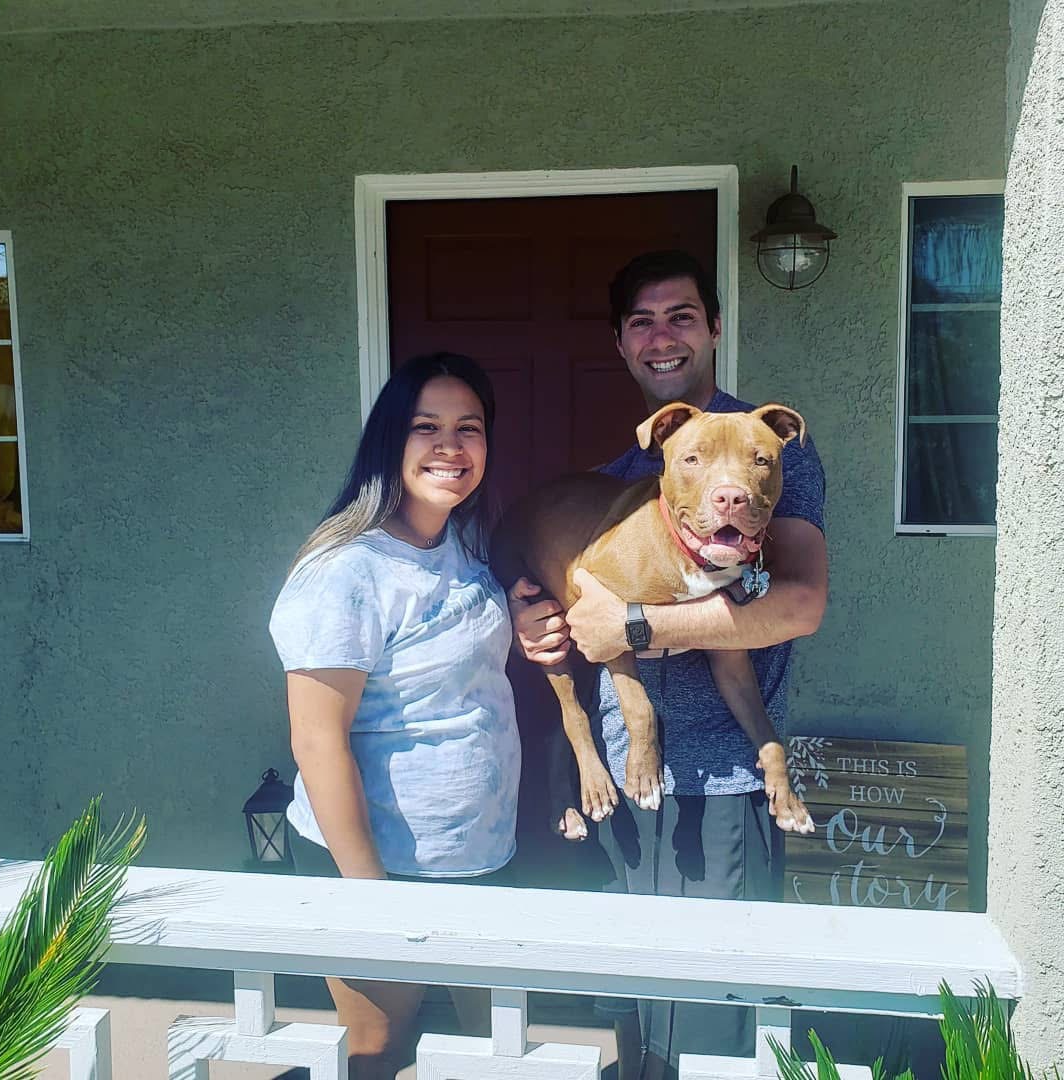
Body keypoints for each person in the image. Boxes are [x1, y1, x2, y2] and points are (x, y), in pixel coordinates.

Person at [512, 250, 828, 1080]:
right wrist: (534, 620)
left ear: (715, 328)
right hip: (621, 774)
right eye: (643, 322)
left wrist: (639, 626)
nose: (663, 338)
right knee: (635, 1003)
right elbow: (570, 600)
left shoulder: (762, 452)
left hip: (722, 774)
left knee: (718, 1011)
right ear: (619, 342)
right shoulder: (636, 469)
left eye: (682, 316)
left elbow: (798, 603)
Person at [269, 352, 522, 1080]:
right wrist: (369, 898)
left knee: (489, 1051)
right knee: (381, 1053)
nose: (451, 445)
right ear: (389, 441)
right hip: (382, 863)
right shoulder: (346, 571)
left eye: (469, 427)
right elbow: (317, 741)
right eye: (427, 426)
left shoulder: (465, 544)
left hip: (476, 850)